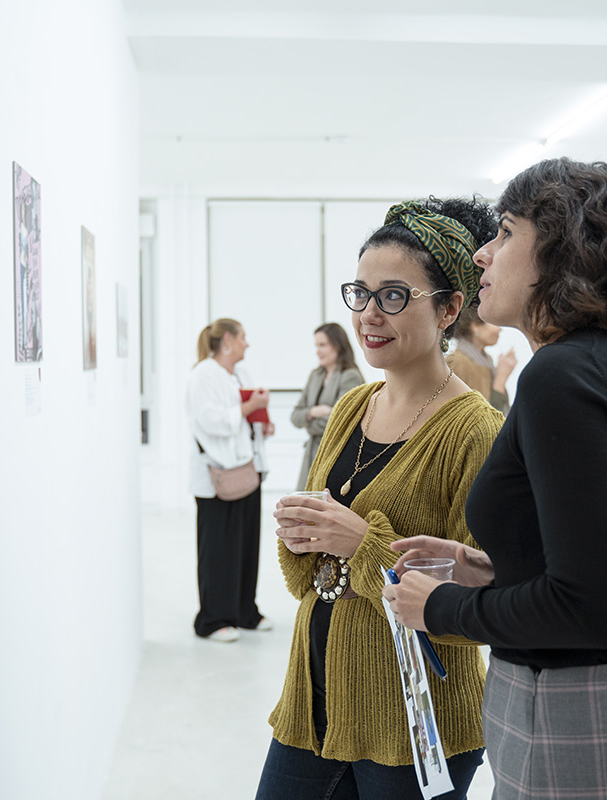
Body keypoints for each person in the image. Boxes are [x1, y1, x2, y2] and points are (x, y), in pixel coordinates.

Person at [384, 159, 607, 799]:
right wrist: (496, 570)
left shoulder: (559, 376)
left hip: (574, 733)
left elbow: (592, 608)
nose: (482, 253)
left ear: (565, 251)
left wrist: (441, 606)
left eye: (506, 232)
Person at [256, 197, 504, 800]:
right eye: (360, 293)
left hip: (414, 725)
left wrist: (361, 542)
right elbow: (309, 580)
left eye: (394, 295)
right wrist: (301, 535)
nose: (369, 313)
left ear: (449, 309)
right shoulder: (352, 407)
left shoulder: (475, 430)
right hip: (314, 704)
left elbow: (478, 605)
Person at [186, 318, 275, 643]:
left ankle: (244, 611)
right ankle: (212, 619)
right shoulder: (202, 375)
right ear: (227, 340)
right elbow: (210, 421)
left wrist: (262, 423)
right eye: (243, 338)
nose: (246, 344)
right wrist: (250, 407)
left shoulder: (239, 373)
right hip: (217, 478)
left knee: (246, 546)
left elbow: (244, 417)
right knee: (219, 549)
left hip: (247, 471)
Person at [289, 322, 365, 490]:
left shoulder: (350, 376)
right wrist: (313, 412)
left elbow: (340, 421)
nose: (318, 351)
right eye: (316, 346)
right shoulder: (316, 375)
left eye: (322, 345)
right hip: (312, 455)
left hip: (335, 455)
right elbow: (295, 417)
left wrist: (309, 424)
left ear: (337, 345)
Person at [445, 302, 517, 414]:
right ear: (476, 326)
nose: (500, 329)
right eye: (494, 323)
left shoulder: (485, 361)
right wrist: (500, 379)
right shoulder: (458, 362)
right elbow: (479, 416)